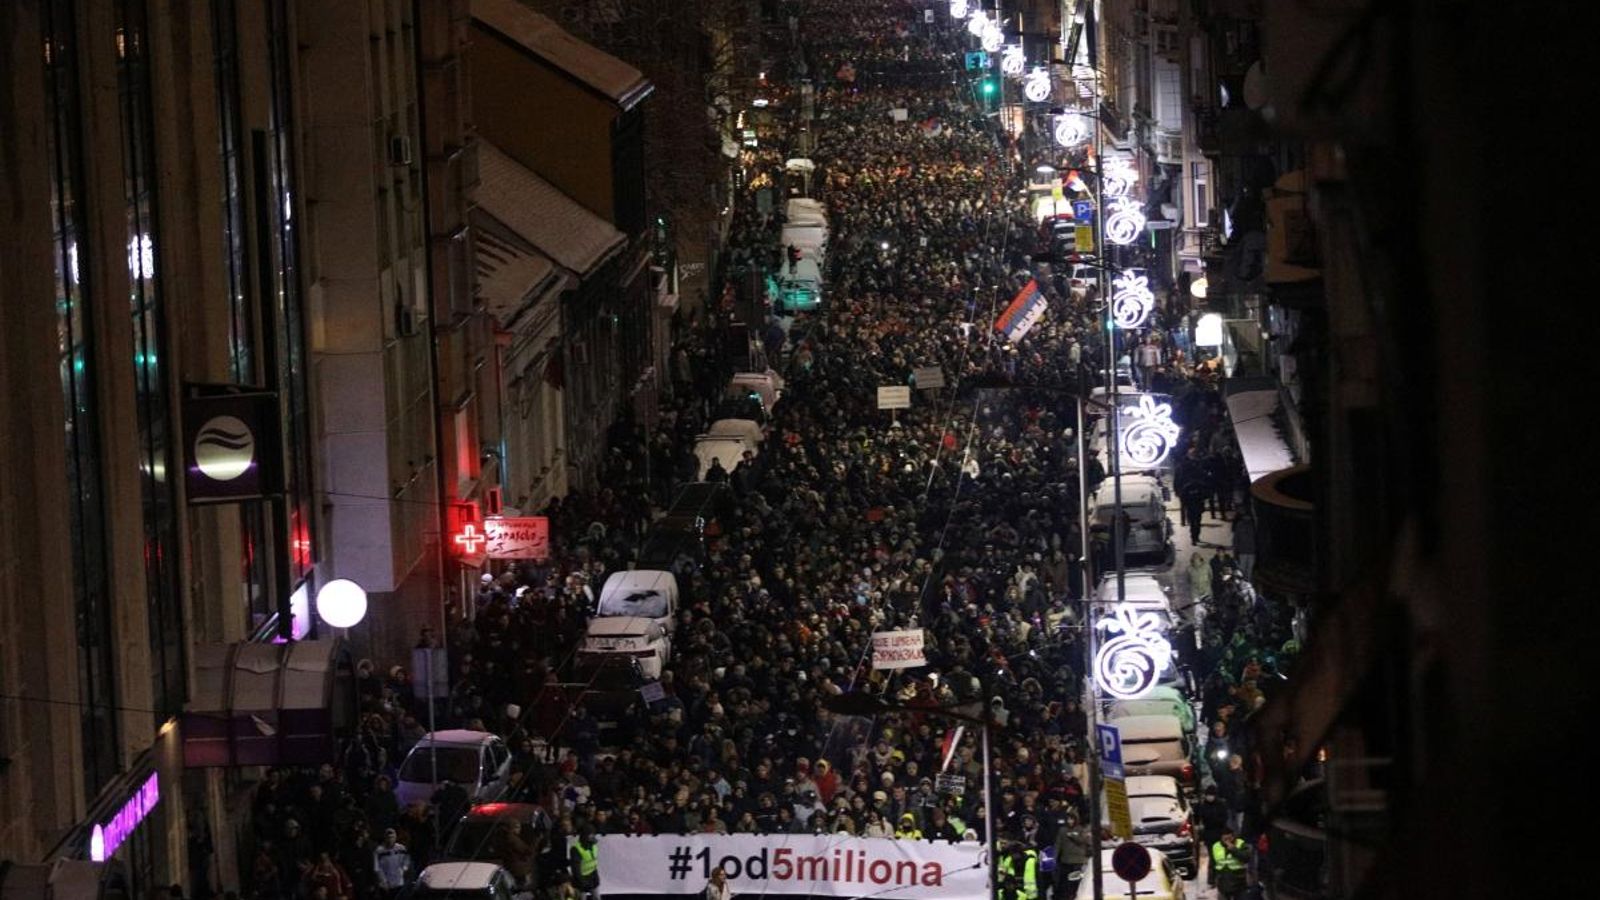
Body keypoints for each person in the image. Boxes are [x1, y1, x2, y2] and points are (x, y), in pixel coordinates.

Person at [1051, 812, 1090, 897]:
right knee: (1066, 881)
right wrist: (1054, 857)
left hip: (1078, 860)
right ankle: (1067, 895)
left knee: (1076, 880)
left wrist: (1073, 836)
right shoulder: (1062, 830)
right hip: (1066, 860)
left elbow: (1083, 841)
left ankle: (1076, 895)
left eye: (1071, 819)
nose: (1070, 821)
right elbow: (1058, 844)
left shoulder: (1080, 829)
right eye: (1068, 819)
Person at [1210, 828, 1249, 899]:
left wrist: (1234, 850)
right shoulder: (1216, 846)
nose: (1227, 841)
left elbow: (1246, 858)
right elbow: (1213, 863)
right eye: (1225, 839)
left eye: (1229, 838)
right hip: (1222, 882)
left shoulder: (1240, 844)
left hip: (1238, 882)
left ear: (1233, 836)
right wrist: (1212, 879)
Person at [373, 828, 412, 898]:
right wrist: (384, 882)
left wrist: (404, 869)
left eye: (392, 837)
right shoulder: (379, 851)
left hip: (399, 883)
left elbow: (406, 860)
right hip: (386, 885)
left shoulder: (401, 848)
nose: (390, 839)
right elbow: (377, 868)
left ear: (395, 837)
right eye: (388, 837)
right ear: (385, 838)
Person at [571, 828, 600, 899]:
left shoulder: (594, 846)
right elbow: (575, 869)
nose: (592, 837)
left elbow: (594, 863)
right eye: (590, 835)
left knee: (597, 897)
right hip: (580, 879)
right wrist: (582, 882)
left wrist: (596, 876)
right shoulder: (576, 849)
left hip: (592, 876)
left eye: (593, 834)